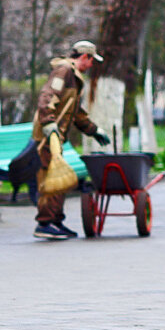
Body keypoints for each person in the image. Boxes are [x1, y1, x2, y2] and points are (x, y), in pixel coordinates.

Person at [32, 39, 111, 240]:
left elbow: (75, 113)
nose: (92, 65)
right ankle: (45, 223)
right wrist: (49, 123)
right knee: (53, 180)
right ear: (85, 57)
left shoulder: (74, 77)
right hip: (49, 137)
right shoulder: (64, 71)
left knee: (60, 177)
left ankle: (55, 221)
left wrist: (94, 130)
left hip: (56, 137)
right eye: (92, 60)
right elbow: (47, 96)